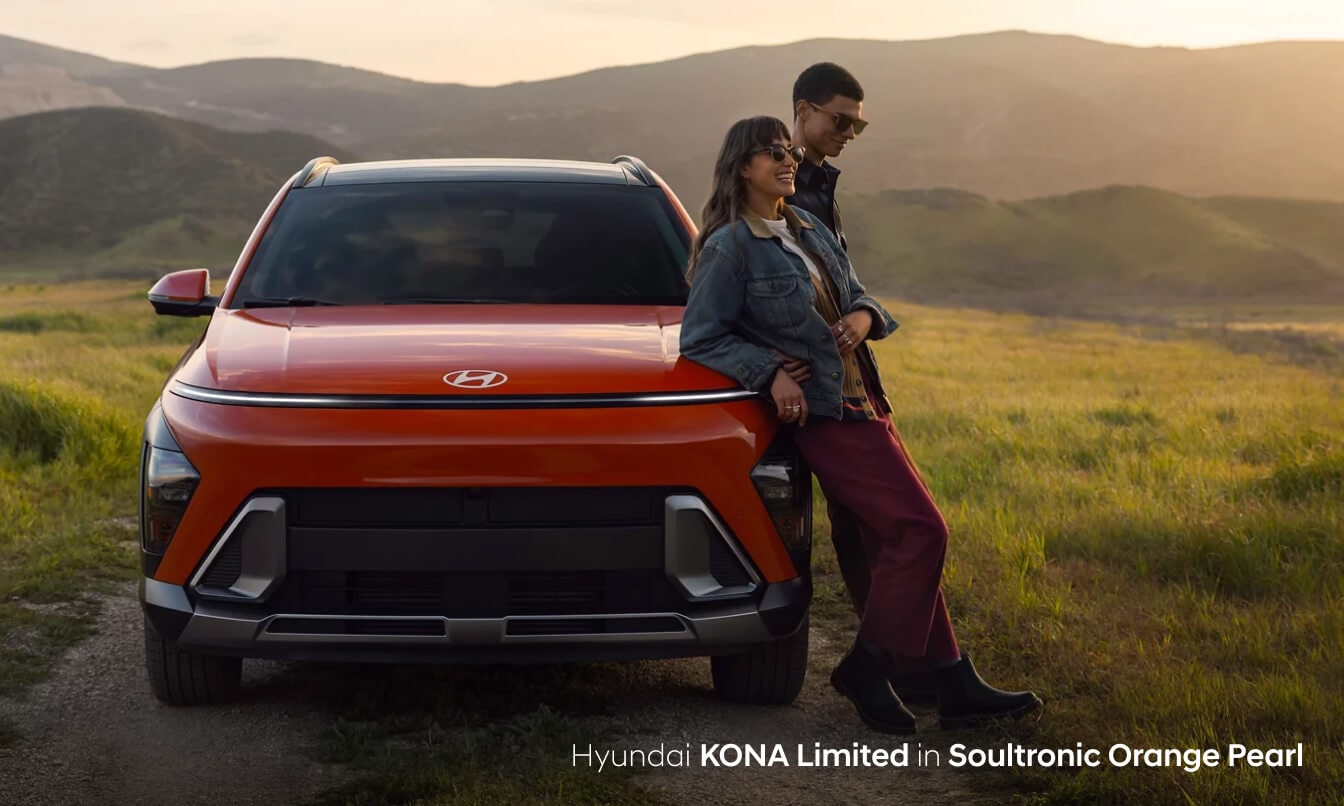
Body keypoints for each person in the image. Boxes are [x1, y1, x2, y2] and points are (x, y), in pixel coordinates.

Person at [679, 115, 1041, 733]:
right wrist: (771, 372)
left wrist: (864, 321)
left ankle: (949, 678)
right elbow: (701, 336)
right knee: (923, 530)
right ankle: (867, 667)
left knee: (895, 537)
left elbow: (860, 294)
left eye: (789, 151)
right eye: (772, 153)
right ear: (743, 166)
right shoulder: (729, 247)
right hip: (824, 413)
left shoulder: (808, 227)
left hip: (864, 396)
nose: (788, 160)